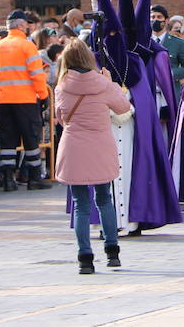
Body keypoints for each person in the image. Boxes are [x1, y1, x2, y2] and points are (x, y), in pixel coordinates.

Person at [54, 38, 132, 274]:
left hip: (74, 146)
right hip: (100, 144)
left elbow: (61, 117)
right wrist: (111, 84)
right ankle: (112, 251)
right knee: (105, 199)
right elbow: (123, 108)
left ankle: (84, 257)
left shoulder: (62, 86)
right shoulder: (103, 83)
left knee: (81, 205)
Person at [0, 11, 51, 191]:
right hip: (25, 99)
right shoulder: (27, 46)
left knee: (7, 139)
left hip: (4, 100)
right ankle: (34, 178)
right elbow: (37, 75)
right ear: (20, 26)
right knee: (30, 138)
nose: (27, 27)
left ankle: (8, 179)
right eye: (26, 24)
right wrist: (44, 96)